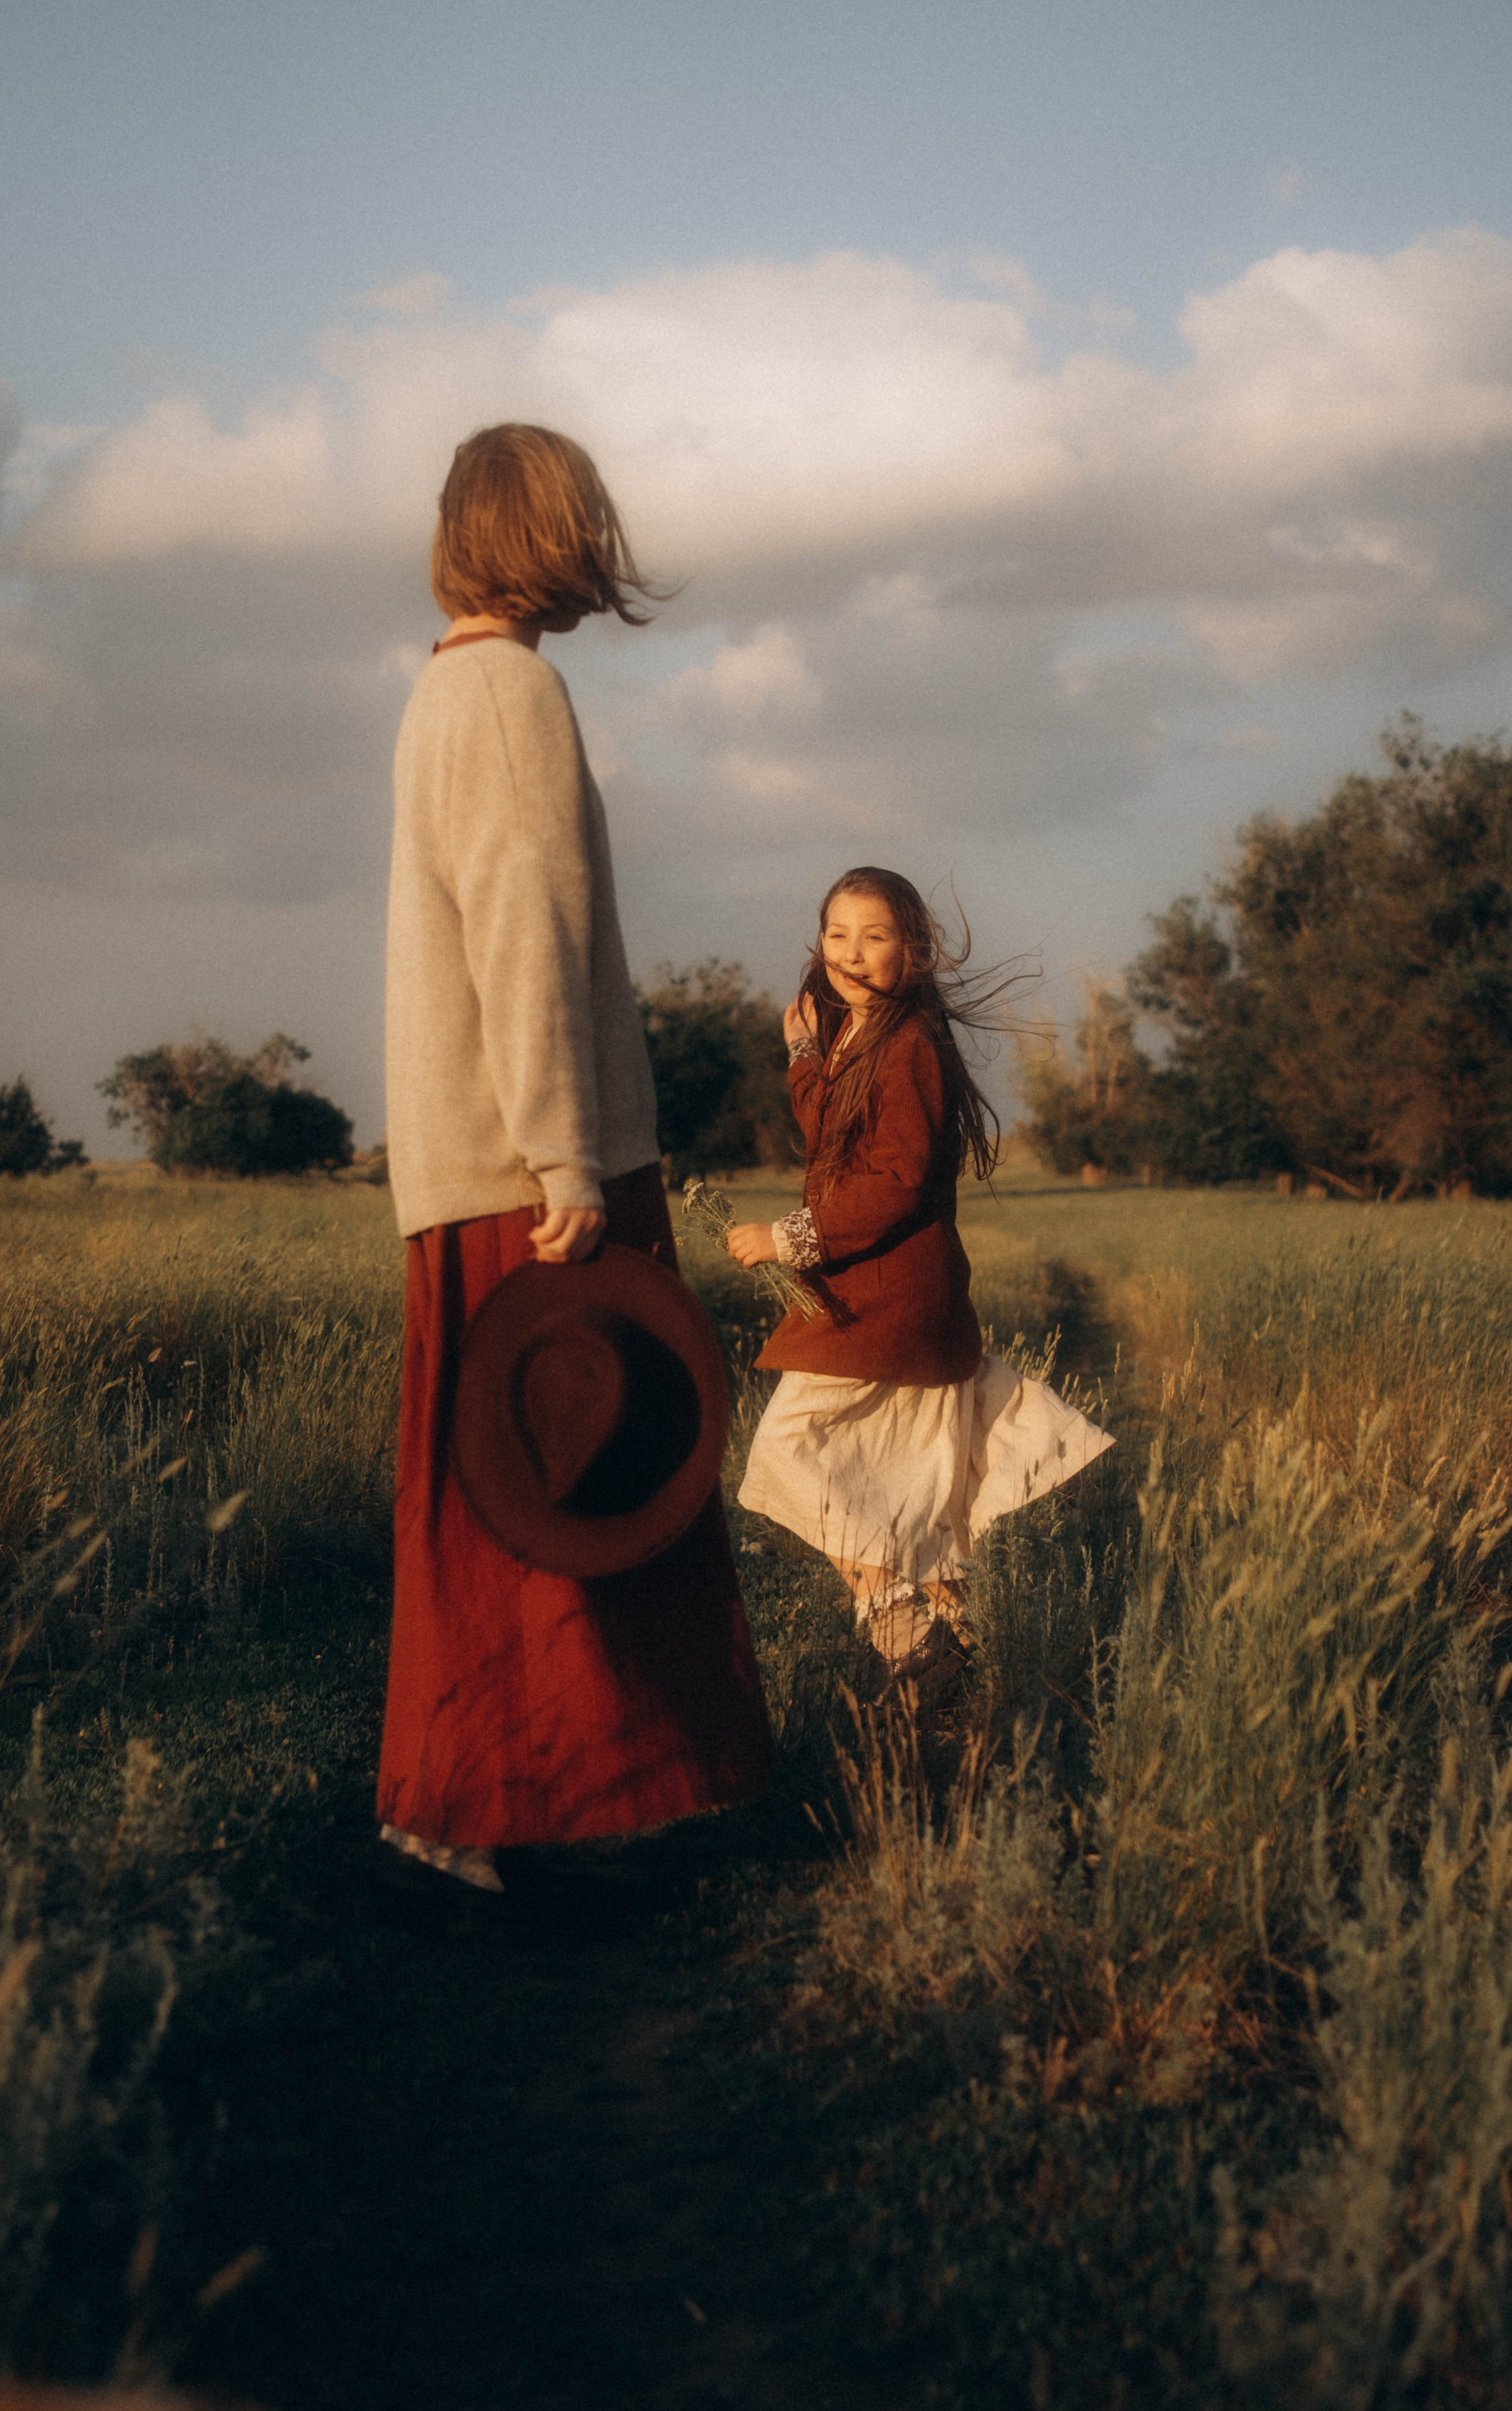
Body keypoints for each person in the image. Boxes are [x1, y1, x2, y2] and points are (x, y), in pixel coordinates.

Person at [379, 422, 773, 1900]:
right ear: (548, 535)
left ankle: (494, 1802)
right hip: (525, 1171)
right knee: (563, 1502)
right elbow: (522, 925)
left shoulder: (444, 687)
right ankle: (497, 1806)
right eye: (583, 522)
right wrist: (563, 1158)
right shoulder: (510, 695)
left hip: (475, 1165)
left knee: (502, 1500)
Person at [729, 867, 1113, 1684]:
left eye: (874, 937)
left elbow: (894, 1183)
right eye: (837, 934)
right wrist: (804, 1054)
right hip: (891, 1302)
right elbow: (833, 1137)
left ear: (913, 950)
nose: (851, 953)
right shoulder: (864, 1035)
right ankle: (959, 1682)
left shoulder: (908, 1045)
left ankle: (900, 1625)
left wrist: (788, 1238)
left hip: (886, 1304)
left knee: (788, 1450)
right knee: (916, 1491)